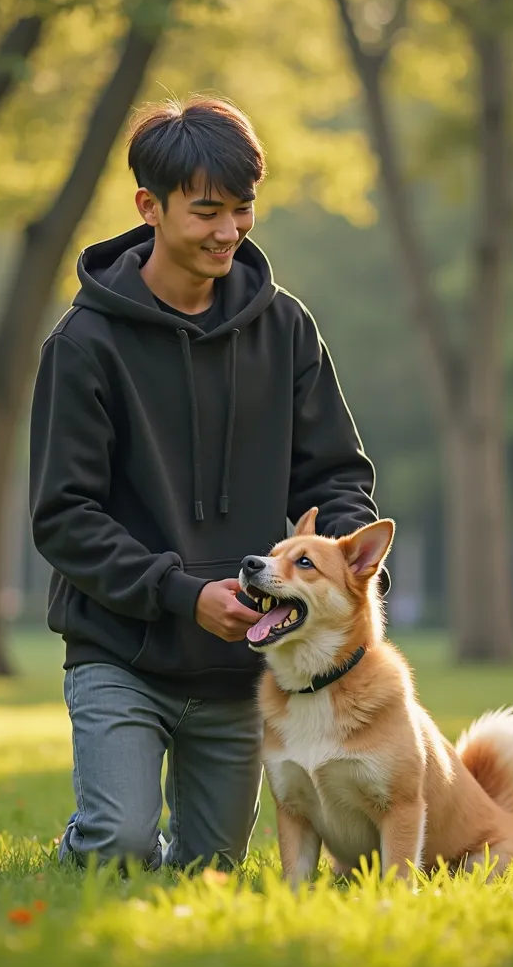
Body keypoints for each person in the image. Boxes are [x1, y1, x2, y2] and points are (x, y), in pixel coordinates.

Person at [29, 95, 386, 873]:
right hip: (122, 649)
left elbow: (337, 473)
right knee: (118, 852)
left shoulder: (286, 327)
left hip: (242, 669)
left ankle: (138, 834)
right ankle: (94, 835)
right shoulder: (83, 345)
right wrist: (182, 593)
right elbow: (63, 516)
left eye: (244, 209)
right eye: (208, 211)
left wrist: (347, 561)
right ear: (148, 208)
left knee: (210, 875)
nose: (229, 230)